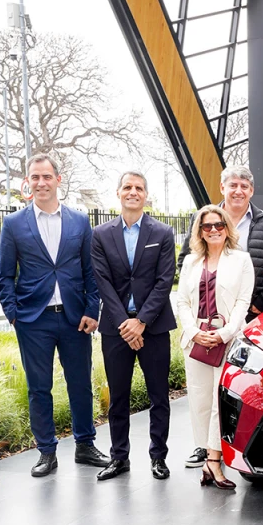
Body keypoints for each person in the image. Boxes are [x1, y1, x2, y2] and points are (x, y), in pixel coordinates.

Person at [0, 152, 110, 478]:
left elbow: (91, 272)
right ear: (28, 182)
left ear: (58, 180)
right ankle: (46, 452)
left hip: (76, 318)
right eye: (35, 177)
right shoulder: (14, 224)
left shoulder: (79, 221)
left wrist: (92, 310)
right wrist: (13, 314)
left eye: (47, 177)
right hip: (34, 319)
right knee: (39, 388)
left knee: (80, 383)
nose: (41, 182)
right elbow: (4, 275)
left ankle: (85, 445)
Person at [178, 166, 263, 468]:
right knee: (203, 390)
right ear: (222, 187)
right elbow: (185, 263)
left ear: (251, 191)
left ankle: (232, 445)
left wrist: (261, 304)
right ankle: (205, 448)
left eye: (244, 185)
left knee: (237, 386)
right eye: (232, 185)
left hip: (250, 317)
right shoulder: (205, 220)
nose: (238, 190)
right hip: (208, 321)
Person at [90, 171, 177, 481]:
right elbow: (102, 281)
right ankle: (119, 458)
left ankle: (158, 457)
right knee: (119, 397)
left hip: (153, 328)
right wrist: (126, 324)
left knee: (158, 396)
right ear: (118, 192)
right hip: (116, 329)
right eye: (127, 187)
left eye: (139, 188)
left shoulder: (163, 233)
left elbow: (165, 280)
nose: (133, 192)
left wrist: (141, 322)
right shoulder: (100, 234)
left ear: (146, 195)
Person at [176, 204, 255, 490]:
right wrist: (194, 331)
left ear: (226, 228)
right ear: (200, 231)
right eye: (207, 226)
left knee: (218, 402)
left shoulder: (242, 260)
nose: (213, 231)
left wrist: (223, 333)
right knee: (199, 400)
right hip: (196, 339)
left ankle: (213, 460)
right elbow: (182, 301)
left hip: (228, 339)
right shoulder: (191, 262)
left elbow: (242, 304)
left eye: (218, 226)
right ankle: (209, 457)